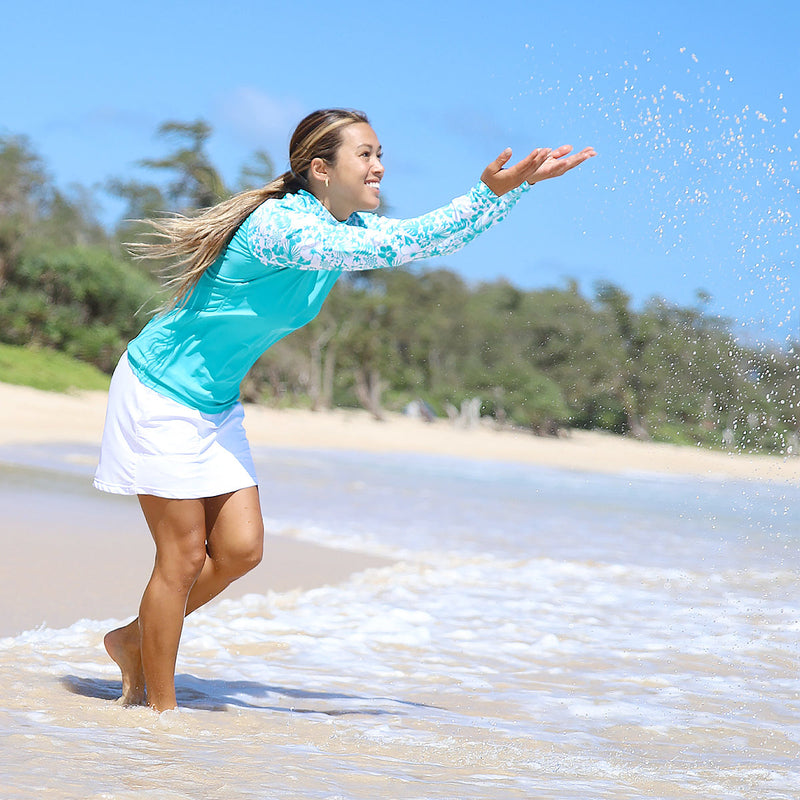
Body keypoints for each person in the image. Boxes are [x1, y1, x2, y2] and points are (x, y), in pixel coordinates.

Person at [94, 108, 595, 712]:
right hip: (160, 392)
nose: (379, 166)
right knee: (181, 556)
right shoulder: (283, 227)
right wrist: (491, 193)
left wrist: (510, 194)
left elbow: (407, 242)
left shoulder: (340, 223)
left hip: (214, 403)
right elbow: (400, 243)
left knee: (241, 550)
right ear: (320, 170)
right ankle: (160, 717)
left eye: (380, 152)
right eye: (366, 155)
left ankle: (131, 640)